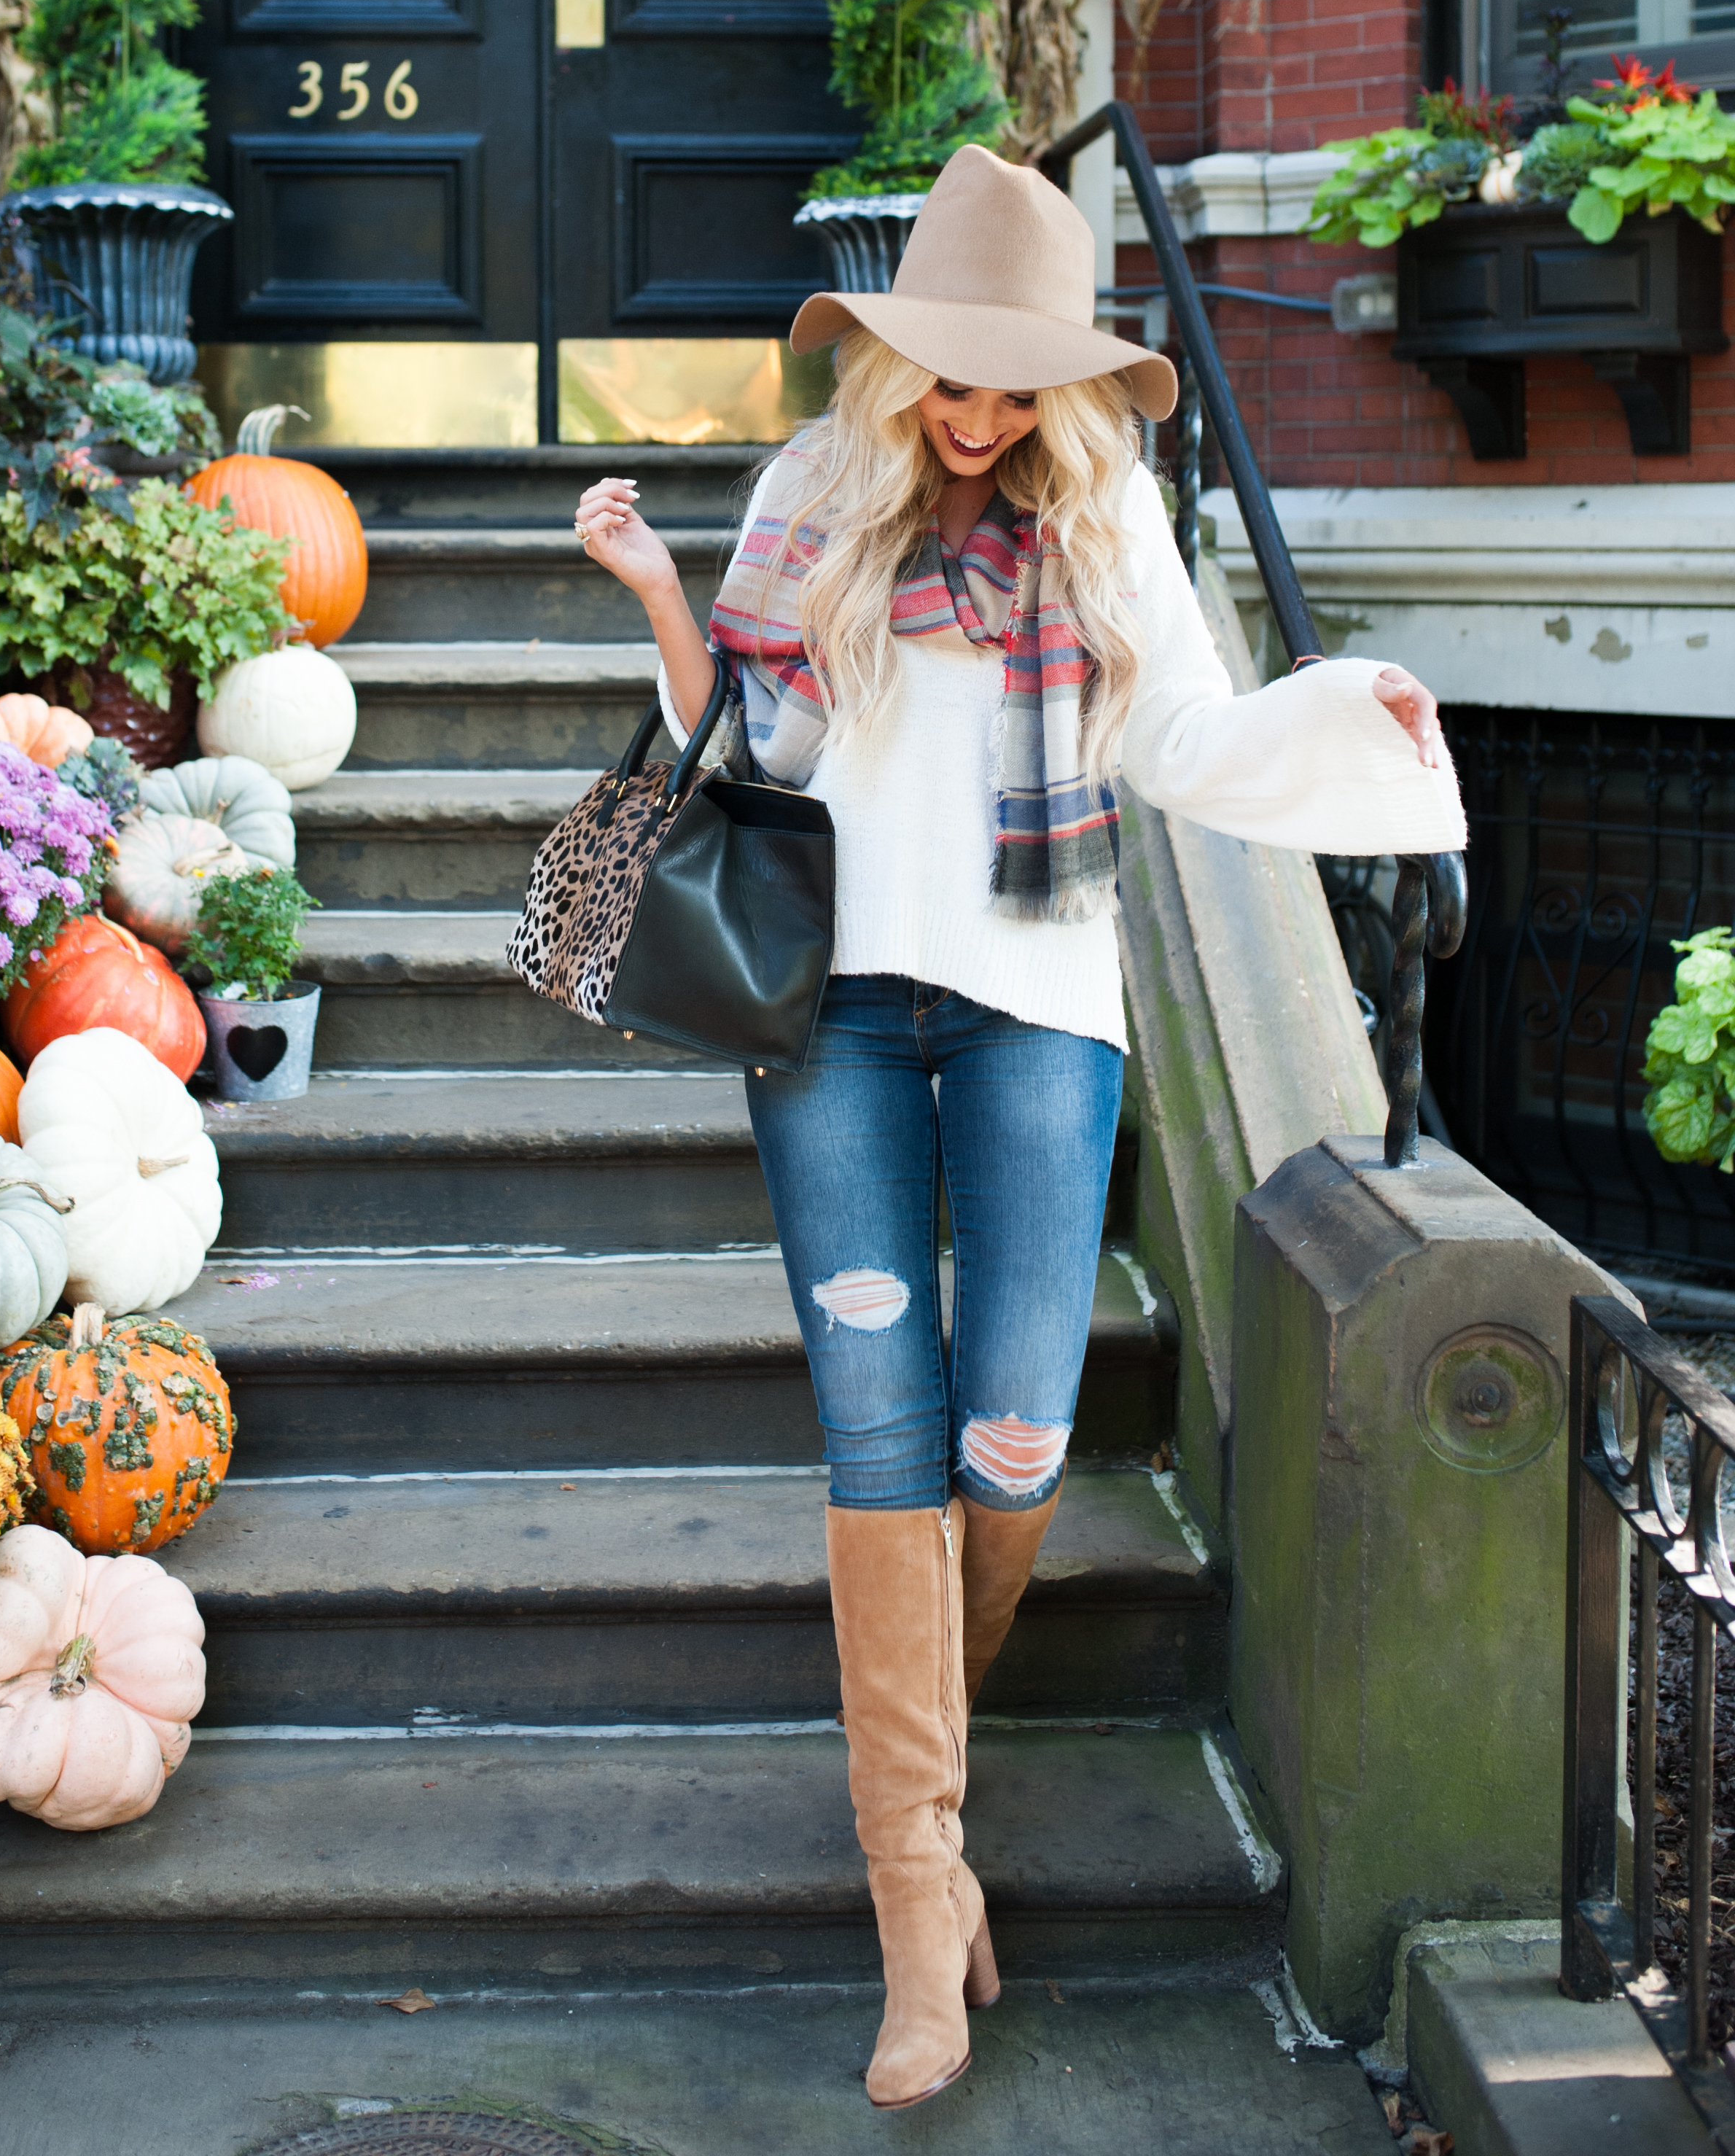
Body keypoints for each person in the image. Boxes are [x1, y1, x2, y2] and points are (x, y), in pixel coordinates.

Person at [572, 144, 1463, 2111]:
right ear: (895, 366)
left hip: (1043, 1009)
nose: (973, 418)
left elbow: (1187, 748)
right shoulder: (818, 492)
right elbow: (768, 745)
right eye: (945, 378)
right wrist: (658, 592)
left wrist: (1349, 703)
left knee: (1020, 1425)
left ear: (1061, 382)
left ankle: (928, 1807)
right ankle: (917, 1897)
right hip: (834, 1021)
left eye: (1008, 384)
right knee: (878, 1426)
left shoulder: (1109, 521)